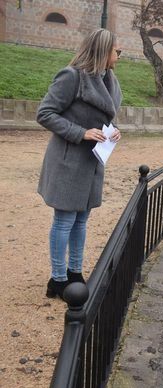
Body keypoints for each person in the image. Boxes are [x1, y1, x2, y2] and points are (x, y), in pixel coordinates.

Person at [37, 29, 123, 298]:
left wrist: (113, 130)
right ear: (102, 51)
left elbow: (104, 115)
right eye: (115, 50)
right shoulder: (71, 76)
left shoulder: (109, 80)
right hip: (68, 160)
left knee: (82, 220)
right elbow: (45, 113)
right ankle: (58, 280)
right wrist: (80, 132)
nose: (118, 54)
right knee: (64, 220)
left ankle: (75, 272)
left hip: (93, 160)